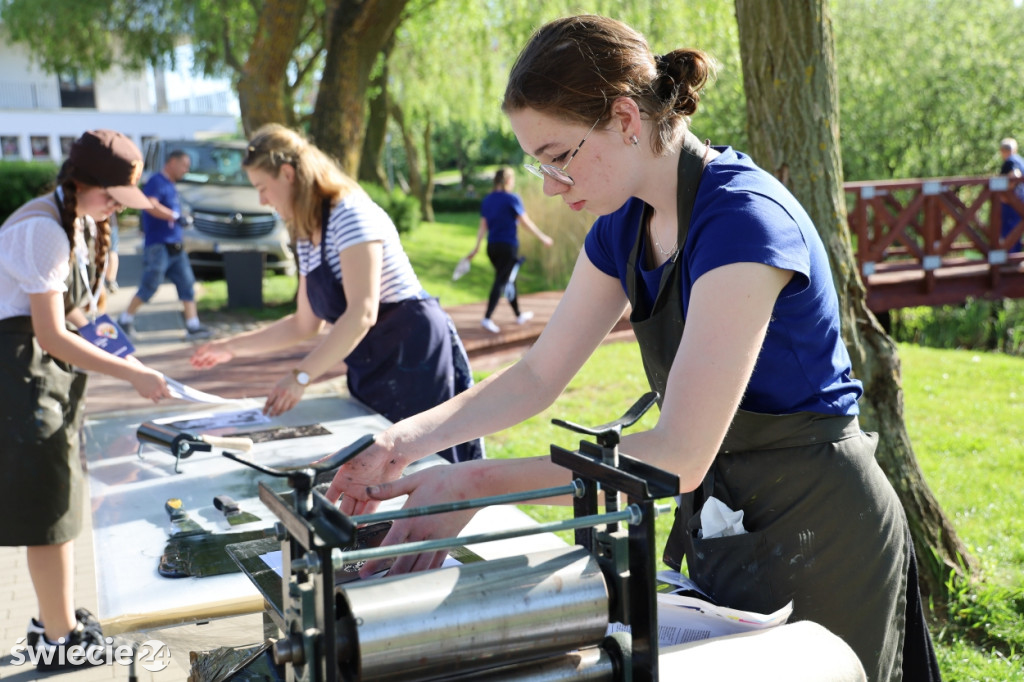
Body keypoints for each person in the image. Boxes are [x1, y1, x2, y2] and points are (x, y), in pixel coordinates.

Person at [325, 15, 940, 682]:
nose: (553, 188)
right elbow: (536, 376)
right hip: (729, 528)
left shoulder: (745, 221)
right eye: (538, 164)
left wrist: (476, 480)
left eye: (559, 157)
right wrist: (402, 444)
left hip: (822, 531)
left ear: (624, 118)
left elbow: (678, 456)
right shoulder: (624, 225)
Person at [190, 123, 482, 463]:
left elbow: (362, 312)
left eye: (262, 187)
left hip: (412, 351)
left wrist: (301, 376)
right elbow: (304, 324)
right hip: (369, 359)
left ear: (287, 174)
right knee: (377, 465)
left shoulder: (350, 214)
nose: (262, 200)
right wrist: (229, 348)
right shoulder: (306, 232)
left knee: (422, 465)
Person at [0, 129, 171, 670]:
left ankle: (57, 621)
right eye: (112, 199)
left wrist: (130, 358)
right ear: (83, 183)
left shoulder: (72, 219)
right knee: (50, 512)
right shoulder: (42, 230)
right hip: (21, 376)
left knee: (62, 506)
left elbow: (78, 319)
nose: (115, 210)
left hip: (40, 378)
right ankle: (58, 639)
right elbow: (51, 334)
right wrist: (128, 373)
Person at [117, 149, 211, 339]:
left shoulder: (171, 185)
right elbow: (150, 204)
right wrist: (175, 216)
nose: (186, 170)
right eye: (184, 165)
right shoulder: (156, 182)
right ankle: (124, 320)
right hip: (158, 246)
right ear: (172, 162)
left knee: (187, 284)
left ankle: (193, 325)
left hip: (176, 245)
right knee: (150, 285)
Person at [467, 166, 553, 333]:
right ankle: (487, 318)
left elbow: (482, 227)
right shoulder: (512, 199)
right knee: (501, 280)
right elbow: (526, 222)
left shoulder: (487, 200)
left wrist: (476, 247)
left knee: (508, 279)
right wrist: (543, 237)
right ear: (507, 181)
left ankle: (519, 315)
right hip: (508, 247)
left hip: (492, 247)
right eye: (512, 180)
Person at [999, 137, 1024, 253]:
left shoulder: (1010, 161)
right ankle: (1014, 256)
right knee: (1016, 231)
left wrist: (1006, 192)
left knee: (1009, 231)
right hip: (1020, 202)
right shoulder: (1020, 160)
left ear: (1002, 151)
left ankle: (1010, 258)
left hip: (1011, 204)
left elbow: (1015, 175)